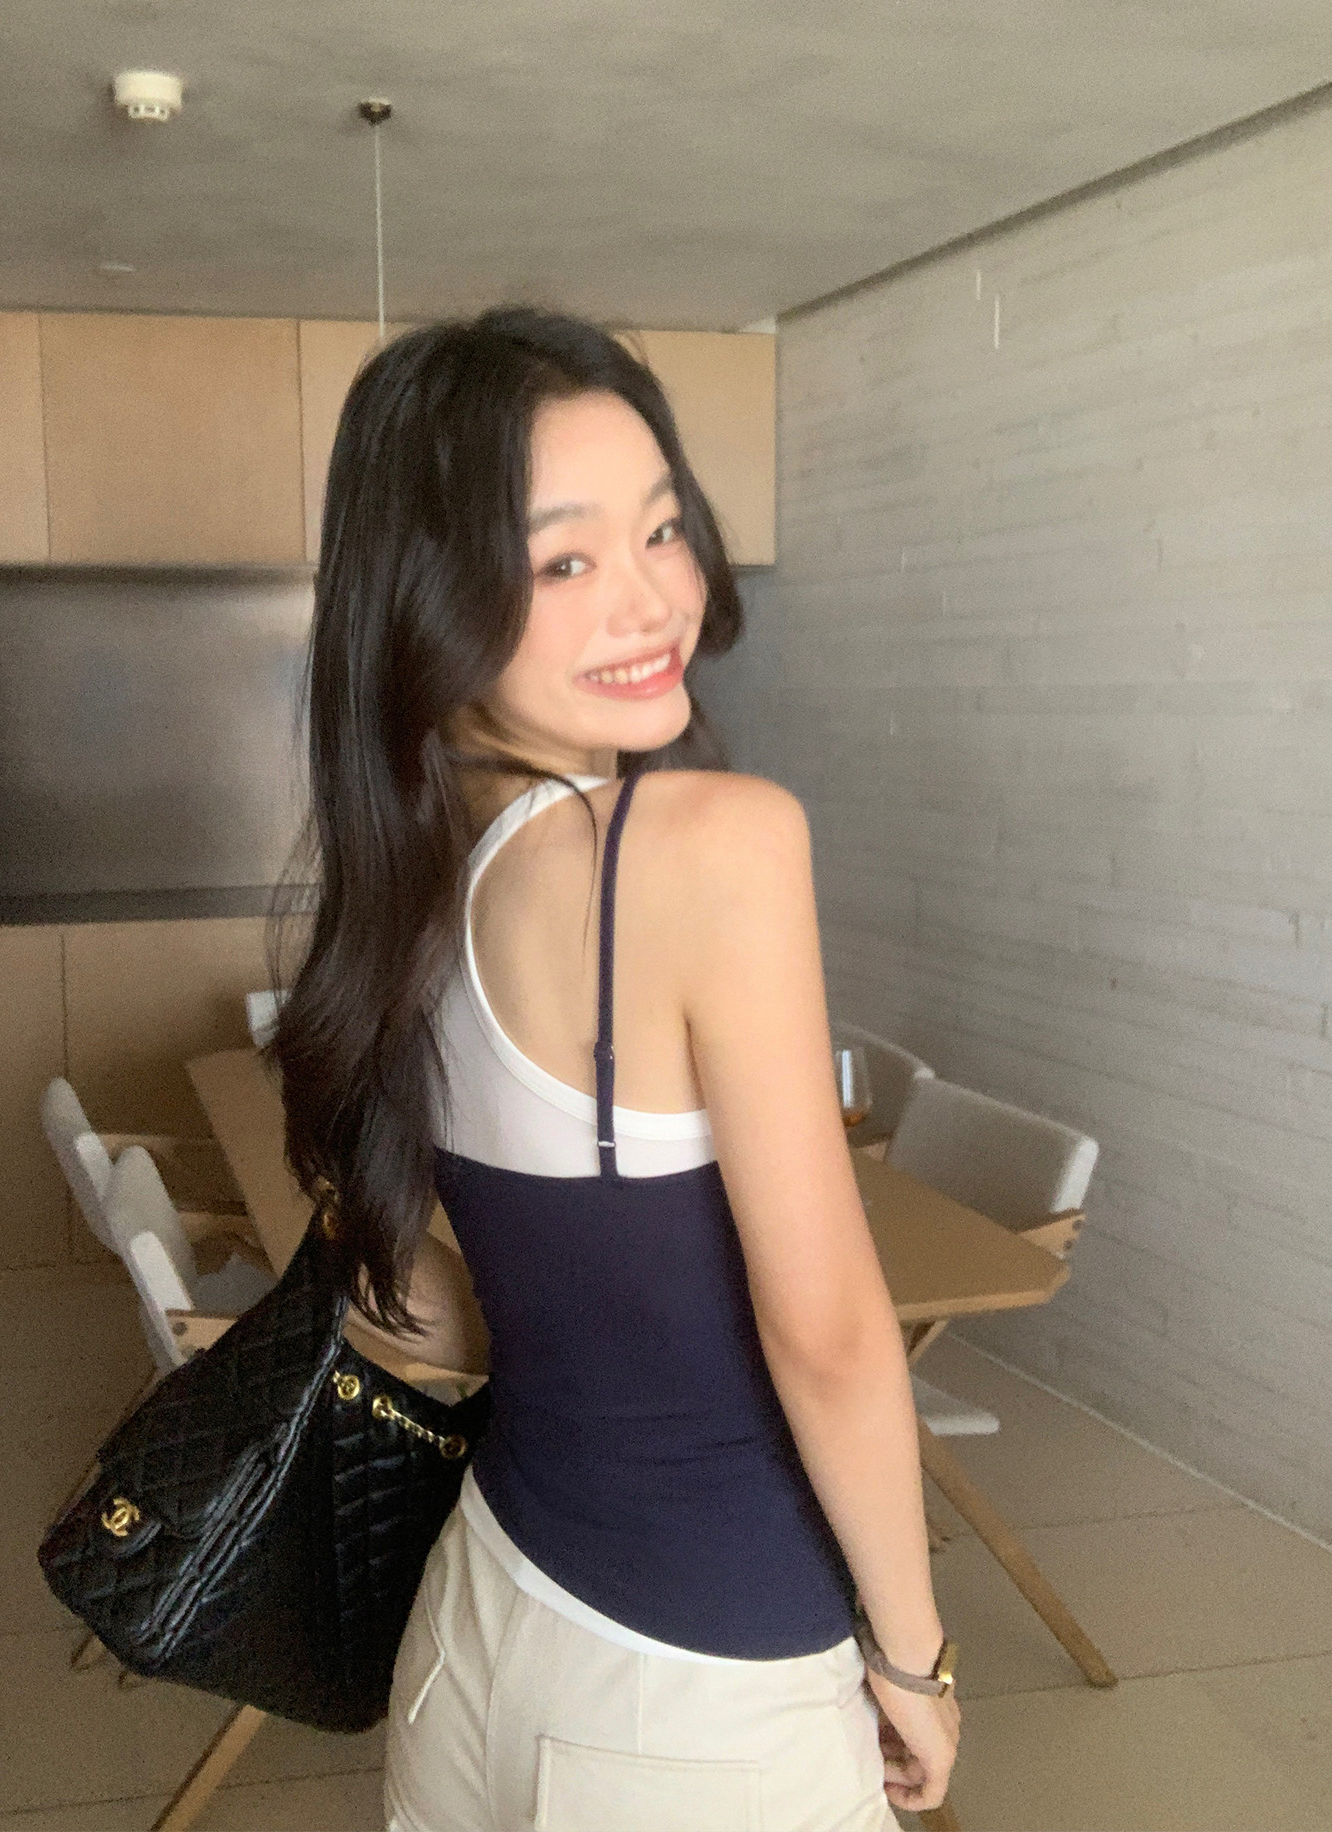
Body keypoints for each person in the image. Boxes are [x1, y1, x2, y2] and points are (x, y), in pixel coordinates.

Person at [267, 307, 958, 1829]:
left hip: (481, 1628)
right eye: (562, 561)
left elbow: (454, 1301)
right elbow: (833, 1333)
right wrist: (914, 1654)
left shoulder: (416, 882)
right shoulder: (710, 843)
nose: (653, 600)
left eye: (661, 530)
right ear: (430, 600)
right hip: (701, 1698)